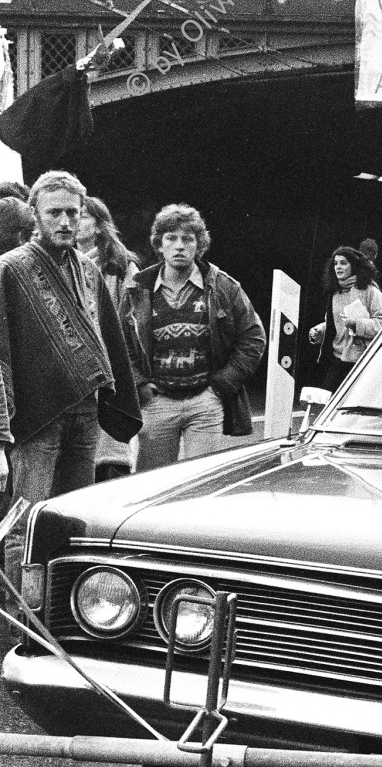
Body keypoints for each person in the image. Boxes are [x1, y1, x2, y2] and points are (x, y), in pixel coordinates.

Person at [0, 169, 141, 516]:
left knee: (73, 516)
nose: (65, 221)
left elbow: (108, 336)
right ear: (34, 214)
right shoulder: (10, 269)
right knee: (25, 519)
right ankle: (24, 574)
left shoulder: (89, 269)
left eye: (73, 213)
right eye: (54, 213)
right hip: (36, 415)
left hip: (85, 408)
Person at [121, 204, 265, 472]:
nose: (179, 246)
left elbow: (253, 338)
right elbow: (120, 343)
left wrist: (220, 386)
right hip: (157, 402)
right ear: (159, 244)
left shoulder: (223, 286)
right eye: (171, 238)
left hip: (204, 403)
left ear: (199, 245)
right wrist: (139, 385)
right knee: (152, 485)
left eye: (188, 239)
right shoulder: (137, 288)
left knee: (201, 481)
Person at [76, 196, 139, 480]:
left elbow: (134, 325)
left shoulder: (120, 266)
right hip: (77, 368)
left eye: (84, 216)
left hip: (111, 367)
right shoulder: (60, 261)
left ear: (100, 226)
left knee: (111, 453)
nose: (75, 221)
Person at [308, 245, 382, 390]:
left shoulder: (370, 291)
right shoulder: (334, 294)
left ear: (353, 266)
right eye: (335, 263)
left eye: (343, 263)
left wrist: (356, 324)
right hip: (338, 359)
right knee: (329, 405)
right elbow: (333, 323)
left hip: (362, 361)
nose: (338, 267)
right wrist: (320, 330)